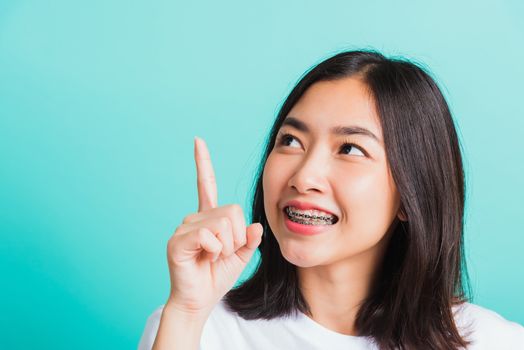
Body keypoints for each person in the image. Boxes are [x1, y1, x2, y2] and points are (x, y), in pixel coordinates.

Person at [138, 50, 524, 350]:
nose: (304, 176)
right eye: (291, 141)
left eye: (350, 149)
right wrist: (186, 314)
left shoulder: (495, 342)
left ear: (411, 194)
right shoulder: (194, 328)